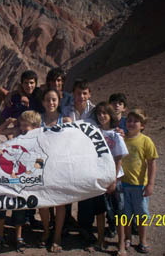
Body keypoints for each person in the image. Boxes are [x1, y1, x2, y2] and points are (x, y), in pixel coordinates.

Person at [0, 110, 42, 253]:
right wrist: (9, 122)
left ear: (35, 127)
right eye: (22, 124)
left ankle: (18, 236)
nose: (23, 128)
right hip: (9, 173)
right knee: (2, 203)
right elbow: (0, 130)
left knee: (19, 206)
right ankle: (0, 236)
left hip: (24, 176)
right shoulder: (17, 131)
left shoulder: (38, 136)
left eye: (27, 125)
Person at [90, 102, 129, 254]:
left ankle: (120, 244)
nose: (101, 116)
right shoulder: (94, 132)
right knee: (100, 212)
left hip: (115, 179)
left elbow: (119, 158)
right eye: (99, 113)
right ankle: (100, 240)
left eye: (105, 113)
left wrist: (113, 179)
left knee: (119, 213)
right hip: (99, 178)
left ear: (111, 115)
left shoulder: (116, 134)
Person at [38, 89, 72, 253]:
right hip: (42, 168)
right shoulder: (38, 121)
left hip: (60, 167)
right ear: (43, 102)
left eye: (54, 100)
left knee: (60, 204)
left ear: (58, 101)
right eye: (47, 100)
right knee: (43, 204)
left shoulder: (66, 120)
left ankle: (57, 236)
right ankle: (46, 230)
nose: (50, 103)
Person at [64, 79, 97, 245]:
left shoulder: (97, 112)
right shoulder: (65, 110)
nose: (81, 96)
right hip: (68, 157)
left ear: (89, 94)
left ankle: (85, 227)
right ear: (73, 94)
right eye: (78, 93)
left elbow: (107, 127)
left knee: (86, 194)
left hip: (88, 158)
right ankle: (65, 224)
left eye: (84, 93)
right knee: (67, 191)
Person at [121, 109, 158, 255]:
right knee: (126, 214)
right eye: (129, 120)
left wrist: (150, 184)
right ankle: (128, 238)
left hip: (139, 186)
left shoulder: (146, 141)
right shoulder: (121, 139)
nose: (131, 123)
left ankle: (143, 240)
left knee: (141, 215)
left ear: (142, 125)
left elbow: (152, 163)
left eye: (135, 121)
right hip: (123, 185)